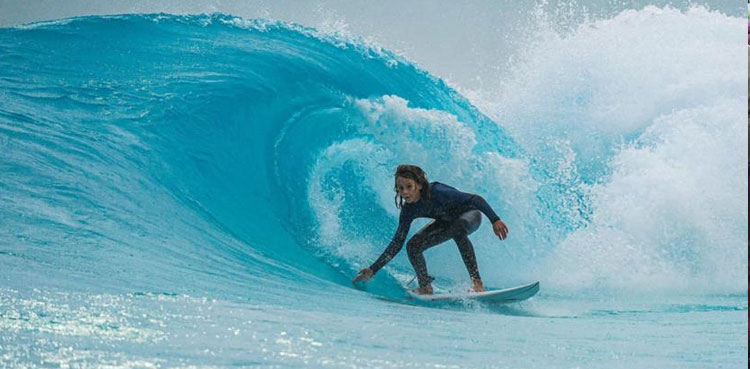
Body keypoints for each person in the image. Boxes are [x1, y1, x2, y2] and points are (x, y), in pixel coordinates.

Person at [352, 164, 509, 295]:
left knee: (458, 228)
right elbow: (397, 242)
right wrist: (373, 269)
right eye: (401, 188)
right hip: (446, 222)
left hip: (470, 215)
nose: (405, 192)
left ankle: (477, 283)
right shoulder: (408, 210)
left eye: (409, 187)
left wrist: (495, 220)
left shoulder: (437, 191)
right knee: (412, 246)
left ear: (419, 185)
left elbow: (475, 199)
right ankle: (425, 286)